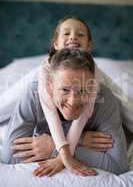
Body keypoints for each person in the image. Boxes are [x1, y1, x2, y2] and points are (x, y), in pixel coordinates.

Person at [1, 48, 128, 177]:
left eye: (83, 91)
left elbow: (118, 165)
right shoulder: (34, 95)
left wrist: (52, 148)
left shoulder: (104, 99)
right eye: (65, 90)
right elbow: (11, 157)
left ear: (93, 87)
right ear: (50, 86)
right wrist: (80, 141)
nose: (73, 102)